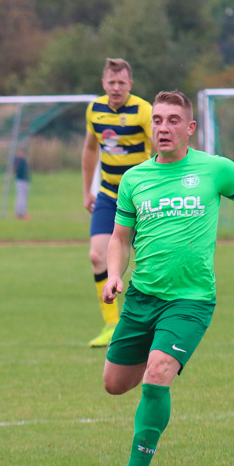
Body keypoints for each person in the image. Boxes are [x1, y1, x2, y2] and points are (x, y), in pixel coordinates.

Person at [101, 90, 234, 466]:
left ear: (190, 128)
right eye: (157, 120)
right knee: (115, 383)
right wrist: (113, 274)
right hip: (142, 297)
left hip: (191, 299)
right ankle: (160, 358)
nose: (163, 127)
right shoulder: (135, 178)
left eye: (173, 120)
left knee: (157, 371)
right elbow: (120, 239)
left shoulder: (215, 169)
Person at [82, 58, 153, 347]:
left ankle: (148, 321)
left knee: (147, 260)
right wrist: (86, 189)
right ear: (103, 84)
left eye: (121, 83)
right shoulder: (95, 109)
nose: (116, 88)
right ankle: (112, 325)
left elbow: (162, 148)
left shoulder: (143, 110)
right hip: (109, 193)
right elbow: (89, 148)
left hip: (143, 195)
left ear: (130, 85)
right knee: (97, 256)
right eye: (111, 82)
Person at [13, 145, 31, 220]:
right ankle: (22, 213)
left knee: (22, 197)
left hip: (23, 181)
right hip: (21, 181)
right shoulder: (19, 160)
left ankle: (20, 213)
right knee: (21, 197)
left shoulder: (20, 160)